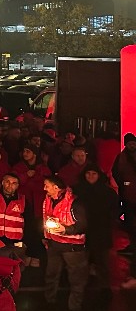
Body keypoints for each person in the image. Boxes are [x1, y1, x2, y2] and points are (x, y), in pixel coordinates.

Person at [41, 175, 87, 311]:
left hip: (72, 247)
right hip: (54, 245)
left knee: (76, 280)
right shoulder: (48, 200)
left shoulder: (74, 202)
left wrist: (65, 229)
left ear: (56, 187)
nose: (44, 188)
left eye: (46, 185)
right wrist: (46, 238)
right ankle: (49, 304)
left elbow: (83, 225)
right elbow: (45, 219)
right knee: (51, 275)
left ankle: (74, 307)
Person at [73, 164, 117, 292]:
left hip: (101, 231)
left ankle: (104, 287)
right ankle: (81, 287)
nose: (91, 176)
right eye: (88, 173)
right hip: (82, 231)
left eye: (94, 174)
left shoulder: (108, 192)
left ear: (99, 175)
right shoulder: (78, 190)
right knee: (82, 262)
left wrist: (110, 221)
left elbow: (115, 209)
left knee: (102, 262)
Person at [112, 133, 136, 255]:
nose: (132, 145)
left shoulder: (121, 157)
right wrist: (122, 184)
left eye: (133, 143)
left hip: (128, 192)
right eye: (130, 143)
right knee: (130, 221)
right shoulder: (121, 157)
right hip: (128, 194)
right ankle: (131, 244)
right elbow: (115, 172)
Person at [0, 173, 25, 249]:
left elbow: (29, 222)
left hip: (14, 242)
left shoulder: (23, 200)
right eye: (7, 182)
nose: (10, 185)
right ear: (2, 182)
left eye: (14, 183)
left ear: (17, 186)